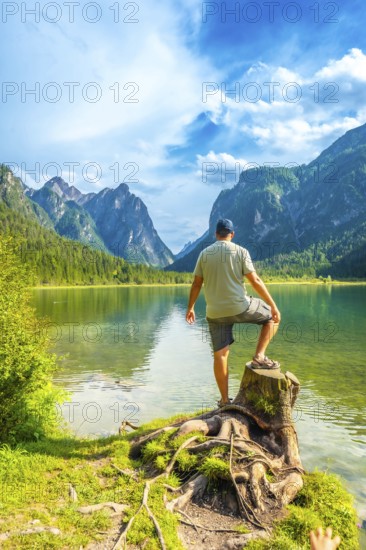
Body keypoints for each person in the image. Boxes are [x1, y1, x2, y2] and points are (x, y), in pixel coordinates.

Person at [186, 218, 281, 406]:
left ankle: (224, 400)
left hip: (215, 312)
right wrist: (273, 305)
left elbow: (197, 283)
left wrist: (190, 308)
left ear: (215, 234)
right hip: (241, 307)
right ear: (232, 234)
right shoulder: (240, 251)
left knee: (220, 355)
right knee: (271, 317)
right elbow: (255, 281)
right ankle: (259, 357)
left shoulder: (204, 254)